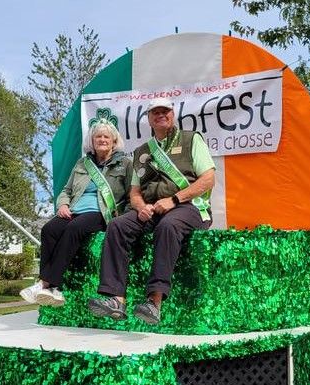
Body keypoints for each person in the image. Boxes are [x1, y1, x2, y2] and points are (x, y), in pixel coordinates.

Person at [88, 97, 215, 324]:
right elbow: (135, 191)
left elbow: (208, 179)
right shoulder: (141, 151)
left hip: (188, 206)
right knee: (118, 225)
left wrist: (174, 200)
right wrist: (140, 206)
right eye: (155, 112)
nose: (160, 115)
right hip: (152, 208)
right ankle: (117, 299)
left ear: (172, 115)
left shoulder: (191, 139)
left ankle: (154, 302)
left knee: (168, 225)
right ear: (149, 119)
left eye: (165, 111)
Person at [20, 118, 133, 306]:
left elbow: (132, 193)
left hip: (102, 213)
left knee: (75, 228)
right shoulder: (82, 164)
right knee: (49, 229)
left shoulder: (125, 164)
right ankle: (52, 289)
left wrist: (123, 219)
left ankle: (47, 284)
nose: (102, 140)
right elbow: (66, 190)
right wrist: (63, 205)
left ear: (114, 141)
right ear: (92, 141)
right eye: (98, 136)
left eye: (106, 137)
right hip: (74, 210)